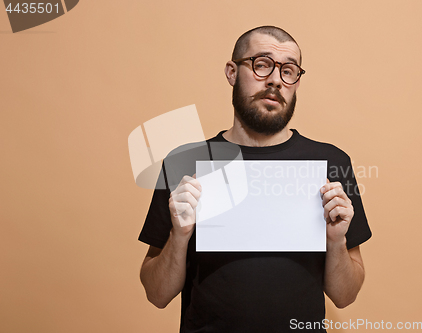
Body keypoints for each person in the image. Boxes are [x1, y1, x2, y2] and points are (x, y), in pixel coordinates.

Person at [138, 26, 372, 332]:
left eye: (289, 71)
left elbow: (345, 296)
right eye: (262, 65)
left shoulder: (331, 163)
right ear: (232, 72)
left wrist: (336, 240)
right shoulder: (184, 162)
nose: (276, 79)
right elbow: (156, 294)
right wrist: (179, 236)